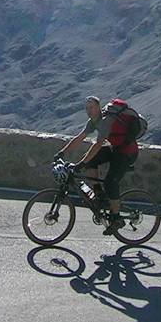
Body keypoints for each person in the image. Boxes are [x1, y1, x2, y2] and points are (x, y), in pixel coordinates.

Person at [58, 95, 140, 234]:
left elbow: (97, 144)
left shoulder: (106, 121)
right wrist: (61, 153)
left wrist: (81, 164)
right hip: (116, 149)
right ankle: (99, 194)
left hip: (127, 153)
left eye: (92, 107)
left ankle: (116, 218)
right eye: (87, 108)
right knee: (90, 160)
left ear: (98, 107)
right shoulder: (93, 121)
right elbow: (79, 137)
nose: (89, 110)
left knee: (110, 182)